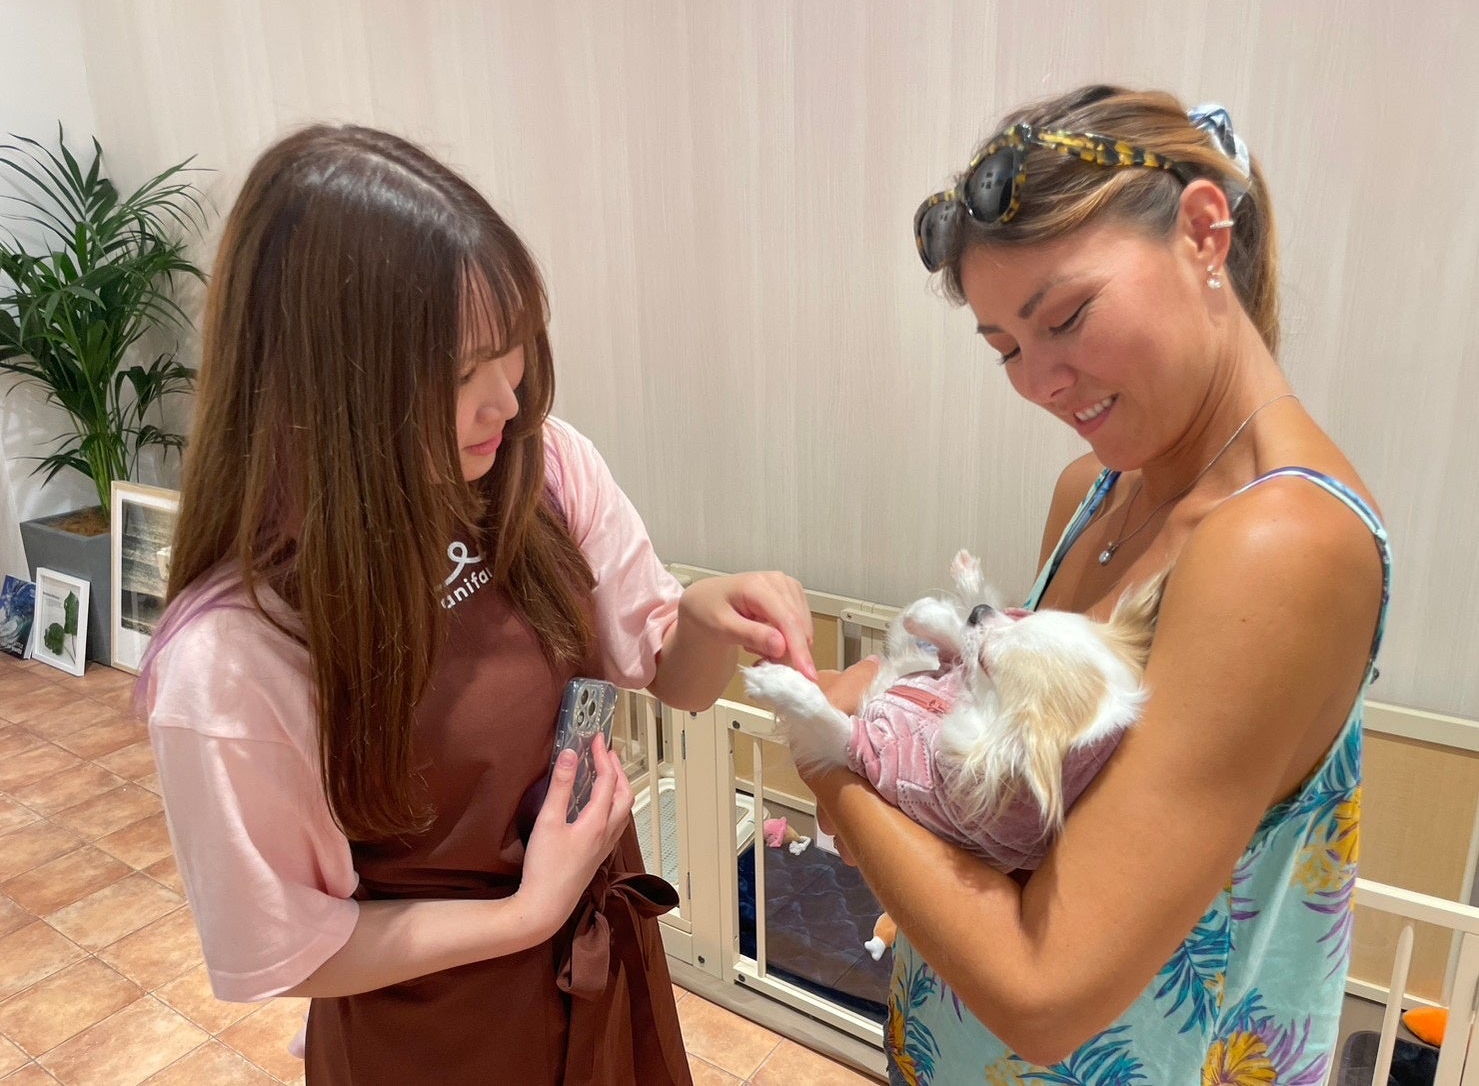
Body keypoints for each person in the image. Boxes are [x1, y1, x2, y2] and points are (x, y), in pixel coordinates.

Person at [139, 124, 816, 1085]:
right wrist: (525, 913)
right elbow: (287, 945)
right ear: (330, 392)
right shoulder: (237, 651)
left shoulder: (544, 471)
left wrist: (704, 617)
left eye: (514, 351)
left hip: (600, 966)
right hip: (434, 1033)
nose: (509, 400)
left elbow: (676, 679)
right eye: (462, 375)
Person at [807, 85, 1390, 1083]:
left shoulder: (1282, 544)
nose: (1039, 381)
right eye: (1006, 348)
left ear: (1204, 233)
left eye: (1067, 317)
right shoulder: (1095, 490)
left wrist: (830, 759)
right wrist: (898, 718)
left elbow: (1046, 989)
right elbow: (1033, 813)